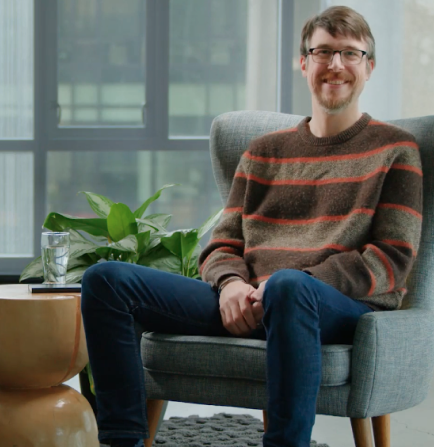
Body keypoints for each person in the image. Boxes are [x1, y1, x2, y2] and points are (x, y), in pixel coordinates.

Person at [80, 6, 422, 447]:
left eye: (350, 53)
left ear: (369, 67)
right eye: (323, 51)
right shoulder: (263, 152)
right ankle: (122, 441)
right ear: (304, 63)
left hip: (335, 307)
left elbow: (392, 258)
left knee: (290, 288)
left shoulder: (396, 149)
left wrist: (293, 282)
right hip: (252, 301)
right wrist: (230, 286)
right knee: (106, 280)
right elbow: (221, 244)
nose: (336, 64)